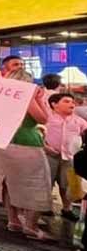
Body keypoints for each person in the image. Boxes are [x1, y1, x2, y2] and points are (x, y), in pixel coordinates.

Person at [0, 69, 51, 240]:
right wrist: (37, 98)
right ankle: (31, 225)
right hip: (27, 143)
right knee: (37, 184)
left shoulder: (0, 97)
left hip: (2, 142)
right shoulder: (24, 97)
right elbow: (42, 118)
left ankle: (13, 220)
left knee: (9, 184)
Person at [45, 92, 87, 221]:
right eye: (66, 101)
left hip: (69, 158)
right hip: (49, 155)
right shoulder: (47, 118)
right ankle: (46, 207)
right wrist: (45, 147)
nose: (71, 104)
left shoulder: (80, 122)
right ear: (54, 104)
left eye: (72, 102)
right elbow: (39, 132)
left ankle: (67, 208)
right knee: (46, 182)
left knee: (67, 184)